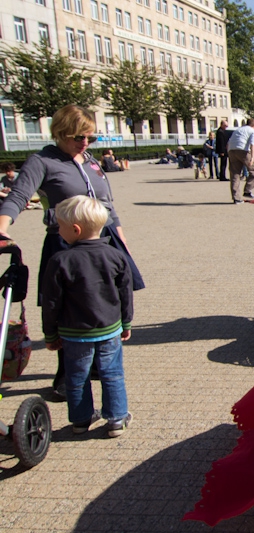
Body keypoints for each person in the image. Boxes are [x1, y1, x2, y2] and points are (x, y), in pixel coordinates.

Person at [0, 104, 145, 399]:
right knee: (69, 307)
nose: (85, 143)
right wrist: (2, 228)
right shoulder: (43, 161)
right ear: (61, 132)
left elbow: (108, 205)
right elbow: (18, 196)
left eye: (91, 138)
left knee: (106, 298)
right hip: (66, 243)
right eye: (79, 137)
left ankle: (98, 364)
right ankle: (67, 373)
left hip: (103, 241)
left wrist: (121, 239)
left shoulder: (90, 161)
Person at [41, 195, 133, 437]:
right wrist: (126, 322)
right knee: (112, 374)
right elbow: (125, 293)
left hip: (74, 332)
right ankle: (116, 418)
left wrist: (50, 334)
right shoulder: (115, 256)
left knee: (76, 376)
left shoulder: (60, 260)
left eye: (60, 227)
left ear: (75, 229)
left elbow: (51, 302)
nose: (58, 231)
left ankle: (80, 420)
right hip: (109, 328)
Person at [227, 118, 254, 204]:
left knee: (235, 174)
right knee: (253, 171)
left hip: (231, 150)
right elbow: (252, 144)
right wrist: (252, 157)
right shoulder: (253, 131)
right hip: (243, 150)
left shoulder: (238, 130)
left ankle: (236, 198)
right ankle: (247, 190)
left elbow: (229, 142)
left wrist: (229, 154)